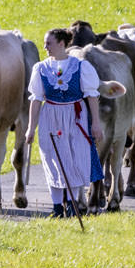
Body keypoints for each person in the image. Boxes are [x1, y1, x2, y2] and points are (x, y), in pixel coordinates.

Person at [27, 27, 103, 217]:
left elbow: (91, 95)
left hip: (75, 116)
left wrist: (96, 123)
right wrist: (30, 128)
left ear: (61, 44)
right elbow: (36, 99)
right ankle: (57, 207)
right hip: (50, 116)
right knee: (52, 158)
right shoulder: (40, 68)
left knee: (74, 158)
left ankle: (71, 203)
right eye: (45, 43)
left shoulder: (81, 66)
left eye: (49, 43)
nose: (45, 47)